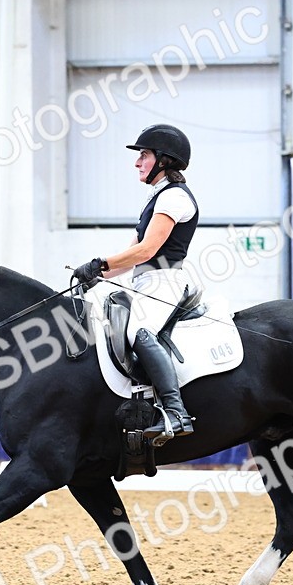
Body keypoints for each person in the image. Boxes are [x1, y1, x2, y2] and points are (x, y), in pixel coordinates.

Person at [73, 124, 199, 440]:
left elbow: (147, 250)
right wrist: (95, 275)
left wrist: (99, 264)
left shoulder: (174, 198)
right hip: (145, 281)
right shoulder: (155, 198)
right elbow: (131, 255)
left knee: (139, 331)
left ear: (164, 160)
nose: (137, 162)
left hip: (165, 281)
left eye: (143, 155)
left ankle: (176, 413)